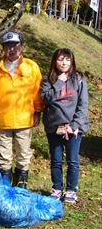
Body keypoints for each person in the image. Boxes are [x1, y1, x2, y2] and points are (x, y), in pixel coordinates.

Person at [0, 31, 43, 188]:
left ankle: (21, 186)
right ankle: (5, 186)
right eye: (8, 46)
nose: (12, 49)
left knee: (23, 154)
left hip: (24, 118)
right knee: (3, 155)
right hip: (3, 119)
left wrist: (38, 111)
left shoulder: (32, 67)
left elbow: (37, 91)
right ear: (3, 48)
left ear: (21, 46)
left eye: (15, 45)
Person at [41, 48, 89, 203]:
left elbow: (83, 105)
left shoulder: (79, 80)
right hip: (54, 127)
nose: (64, 62)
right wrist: (60, 81)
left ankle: (70, 190)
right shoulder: (48, 80)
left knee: (72, 160)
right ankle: (57, 189)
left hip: (74, 129)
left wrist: (74, 125)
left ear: (72, 61)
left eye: (67, 59)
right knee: (56, 160)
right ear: (55, 61)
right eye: (61, 59)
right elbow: (46, 99)